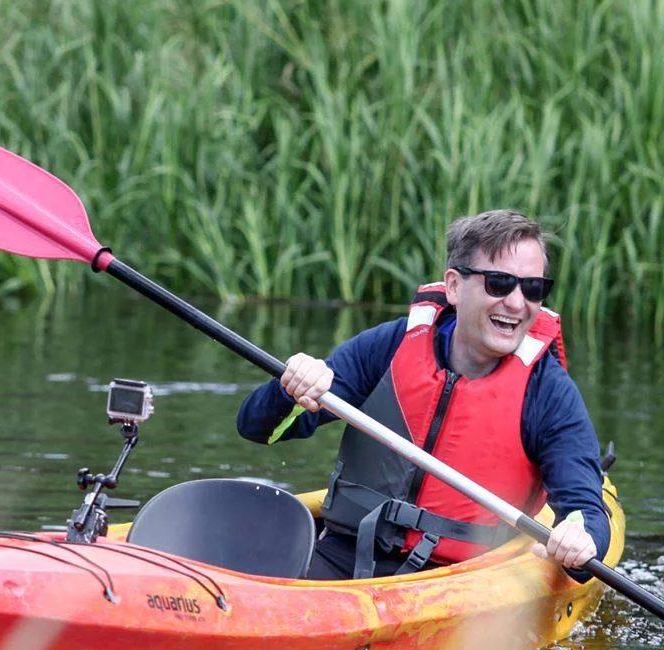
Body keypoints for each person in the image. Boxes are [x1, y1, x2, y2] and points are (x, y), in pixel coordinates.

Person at [236, 210, 610, 581]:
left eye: (533, 288)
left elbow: (585, 511)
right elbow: (257, 426)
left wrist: (578, 537)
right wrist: (290, 388)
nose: (516, 302)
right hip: (345, 553)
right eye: (499, 283)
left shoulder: (548, 392)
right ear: (453, 287)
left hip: (461, 578)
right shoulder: (388, 347)